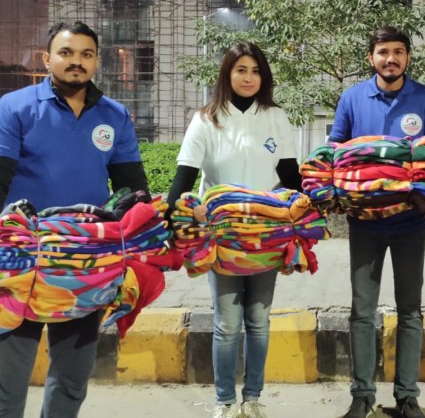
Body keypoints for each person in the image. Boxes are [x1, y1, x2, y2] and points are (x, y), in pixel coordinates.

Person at [0, 21, 150, 418]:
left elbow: (133, 189)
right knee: (6, 382)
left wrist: (142, 243)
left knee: (72, 380)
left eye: (86, 54)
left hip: (86, 263)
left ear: (97, 61)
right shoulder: (14, 107)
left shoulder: (114, 115)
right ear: (47, 58)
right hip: (22, 260)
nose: (76, 62)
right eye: (66, 53)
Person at [166, 42, 301, 418]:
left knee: (258, 322)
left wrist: (303, 216)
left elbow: (291, 177)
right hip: (221, 237)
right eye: (241, 69)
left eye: (256, 71)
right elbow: (184, 178)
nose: (248, 77)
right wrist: (175, 217)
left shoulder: (275, 117)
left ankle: (252, 399)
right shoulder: (206, 120)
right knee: (227, 324)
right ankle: (224, 402)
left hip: (265, 236)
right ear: (227, 74)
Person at [328, 26, 425, 418]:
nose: (391, 59)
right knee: (362, 310)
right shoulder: (352, 98)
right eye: (383, 52)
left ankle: (407, 396)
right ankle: (362, 396)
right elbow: (334, 151)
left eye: (398, 51)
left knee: (410, 310)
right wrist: (339, 194)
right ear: (371, 58)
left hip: (409, 223)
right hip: (364, 222)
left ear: (408, 57)